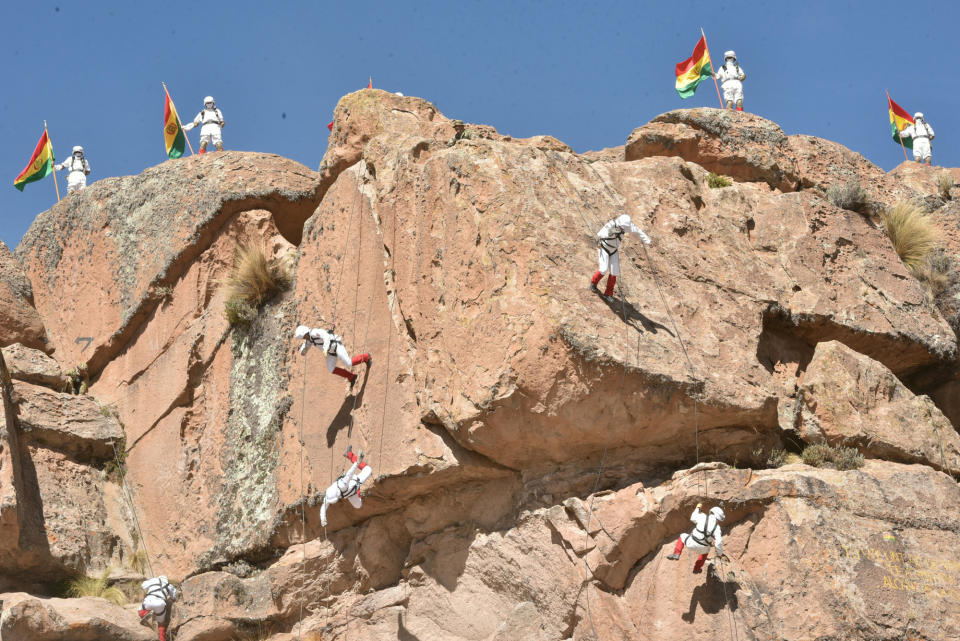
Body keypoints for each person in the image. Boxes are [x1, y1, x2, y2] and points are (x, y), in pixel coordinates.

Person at [589, 214, 651, 299]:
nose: (624, 230)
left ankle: (608, 294)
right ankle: (593, 283)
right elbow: (602, 234)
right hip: (604, 248)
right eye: (623, 228)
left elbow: (637, 231)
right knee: (603, 269)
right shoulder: (611, 224)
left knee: (614, 272)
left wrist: (646, 240)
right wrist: (612, 231)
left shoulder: (626, 226)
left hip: (614, 250)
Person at [295, 325, 371, 388]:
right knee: (331, 368)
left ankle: (366, 357)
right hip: (330, 352)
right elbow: (307, 345)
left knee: (348, 363)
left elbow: (326, 336)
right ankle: (351, 377)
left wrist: (325, 349)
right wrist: (303, 351)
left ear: (306, 333)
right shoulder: (309, 339)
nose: (304, 338)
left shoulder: (314, 332)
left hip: (336, 346)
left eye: (304, 337)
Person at [320, 445, 373, 527]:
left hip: (355, 482)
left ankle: (349, 454)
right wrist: (323, 519)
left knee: (368, 469)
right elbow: (323, 507)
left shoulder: (341, 486)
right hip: (350, 493)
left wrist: (357, 462)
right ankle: (357, 491)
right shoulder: (329, 495)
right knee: (358, 506)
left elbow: (349, 474)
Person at [666, 504, 727, 573]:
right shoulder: (717, 528)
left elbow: (692, 517)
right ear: (718, 517)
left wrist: (697, 508)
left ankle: (676, 554)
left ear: (711, 512)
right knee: (705, 553)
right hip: (703, 548)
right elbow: (718, 542)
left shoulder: (702, 516)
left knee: (682, 536)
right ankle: (697, 568)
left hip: (691, 543)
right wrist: (720, 554)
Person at [137, 575, 178, 641]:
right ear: (166, 580)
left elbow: (143, 586)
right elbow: (174, 596)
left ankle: (145, 613)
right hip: (161, 603)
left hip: (150, 600)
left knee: (139, 610)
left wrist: (151, 581)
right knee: (161, 623)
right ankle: (162, 639)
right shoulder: (169, 585)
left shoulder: (154, 580)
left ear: (159, 577)